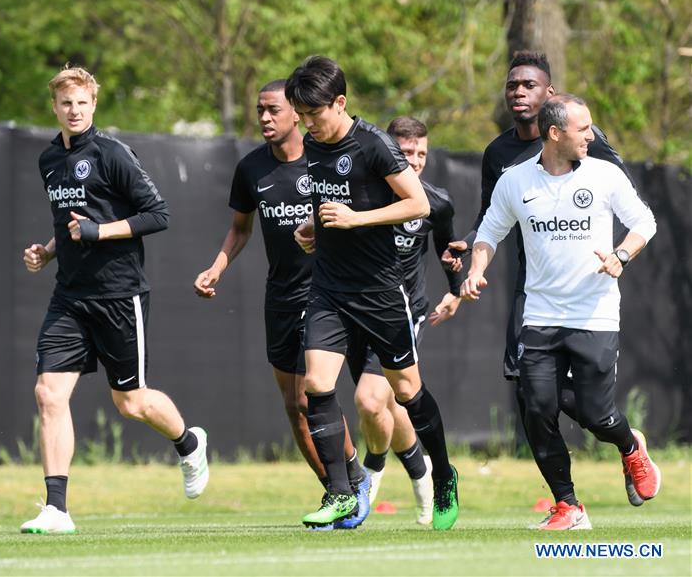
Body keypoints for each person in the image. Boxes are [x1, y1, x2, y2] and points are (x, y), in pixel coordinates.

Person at [193, 81, 431, 528]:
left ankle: (392, 476)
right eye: (259, 109)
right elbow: (241, 229)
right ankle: (343, 487)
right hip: (281, 295)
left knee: (370, 395)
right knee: (295, 406)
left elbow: (399, 203)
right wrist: (217, 267)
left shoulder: (328, 153)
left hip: (334, 293)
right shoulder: (251, 170)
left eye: (275, 109)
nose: (266, 118)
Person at [443, 51, 644, 506]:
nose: (518, 92)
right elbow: (492, 218)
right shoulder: (500, 156)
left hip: (590, 284)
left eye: (528, 85)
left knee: (590, 407)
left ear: (548, 95)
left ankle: (620, 434)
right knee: (530, 392)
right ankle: (566, 502)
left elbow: (621, 200)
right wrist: (472, 251)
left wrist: (619, 254)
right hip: (532, 288)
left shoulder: (589, 147)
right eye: (512, 84)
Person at [20, 65, 209, 534]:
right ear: (55, 108)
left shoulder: (113, 153)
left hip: (119, 296)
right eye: (66, 103)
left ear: (93, 104)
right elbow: (70, 222)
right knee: (48, 394)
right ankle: (57, 509)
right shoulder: (49, 160)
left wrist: (99, 232)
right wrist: (47, 251)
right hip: (70, 296)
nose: (74, 110)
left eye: (82, 103)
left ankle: (188, 443)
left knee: (131, 402)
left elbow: (157, 214)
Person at [286, 56, 458, 531]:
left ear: (340, 103)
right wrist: (314, 227)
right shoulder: (313, 143)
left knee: (406, 391)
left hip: (381, 291)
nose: (306, 124)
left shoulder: (374, 145)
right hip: (328, 286)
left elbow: (418, 203)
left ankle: (443, 475)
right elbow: (332, 204)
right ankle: (341, 492)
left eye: (313, 114)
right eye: (300, 115)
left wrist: (356, 220)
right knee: (316, 387)